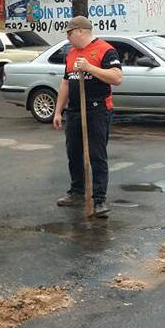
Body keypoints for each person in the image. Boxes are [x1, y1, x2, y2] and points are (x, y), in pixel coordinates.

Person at [52, 16, 123, 217]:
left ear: (81, 31)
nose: (68, 38)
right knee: (73, 154)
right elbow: (66, 83)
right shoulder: (71, 53)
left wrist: (90, 68)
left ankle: (99, 200)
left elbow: (117, 78)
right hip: (75, 111)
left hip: (97, 110)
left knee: (96, 155)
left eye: (69, 33)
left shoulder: (105, 50)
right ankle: (76, 192)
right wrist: (59, 111)